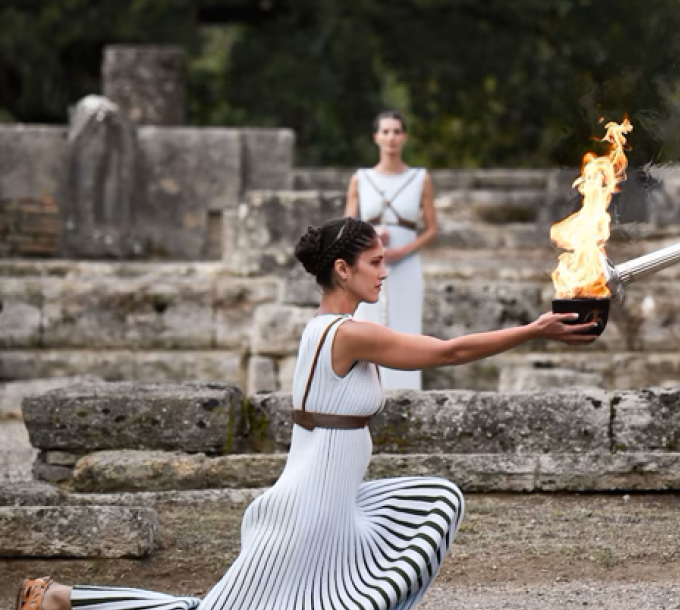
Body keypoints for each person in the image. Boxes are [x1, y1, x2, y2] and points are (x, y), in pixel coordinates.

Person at [15, 217, 596, 610]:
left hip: (327, 509)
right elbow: (448, 352)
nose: (383, 271)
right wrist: (534, 329)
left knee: (437, 498)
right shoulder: (346, 334)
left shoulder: (325, 331)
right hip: (305, 516)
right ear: (342, 269)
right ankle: (59, 598)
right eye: (374, 261)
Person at [345, 110, 435, 389]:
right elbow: (347, 226)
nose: (391, 137)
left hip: (406, 264)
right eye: (385, 131)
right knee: (367, 326)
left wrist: (404, 250)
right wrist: (370, 236)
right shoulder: (361, 178)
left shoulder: (420, 178)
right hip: (368, 264)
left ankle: (406, 392)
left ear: (404, 136)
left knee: (406, 327)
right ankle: (364, 392)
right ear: (376, 137)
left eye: (397, 131)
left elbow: (431, 229)